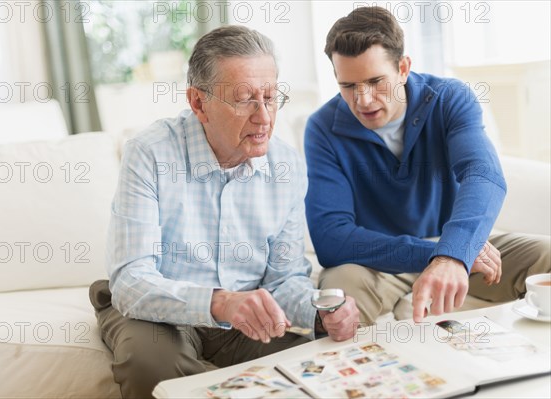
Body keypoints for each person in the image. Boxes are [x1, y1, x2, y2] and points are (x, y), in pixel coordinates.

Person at [89, 25, 360, 398]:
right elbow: (132, 281)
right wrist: (221, 302)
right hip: (157, 311)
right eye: (245, 99)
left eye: (270, 96)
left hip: (242, 317)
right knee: (151, 365)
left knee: (318, 366)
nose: (263, 116)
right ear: (199, 103)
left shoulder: (286, 165)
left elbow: (283, 280)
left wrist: (320, 312)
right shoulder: (150, 153)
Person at [305, 6, 550, 325]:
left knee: (546, 253)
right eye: (348, 86)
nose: (363, 100)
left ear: (403, 68)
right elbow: (331, 238)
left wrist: (455, 251)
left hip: (457, 249)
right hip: (375, 262)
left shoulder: (450, 98)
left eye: (375, 81)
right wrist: (442, 254)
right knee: (340, 296)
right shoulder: (322, 128)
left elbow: (483, 175)